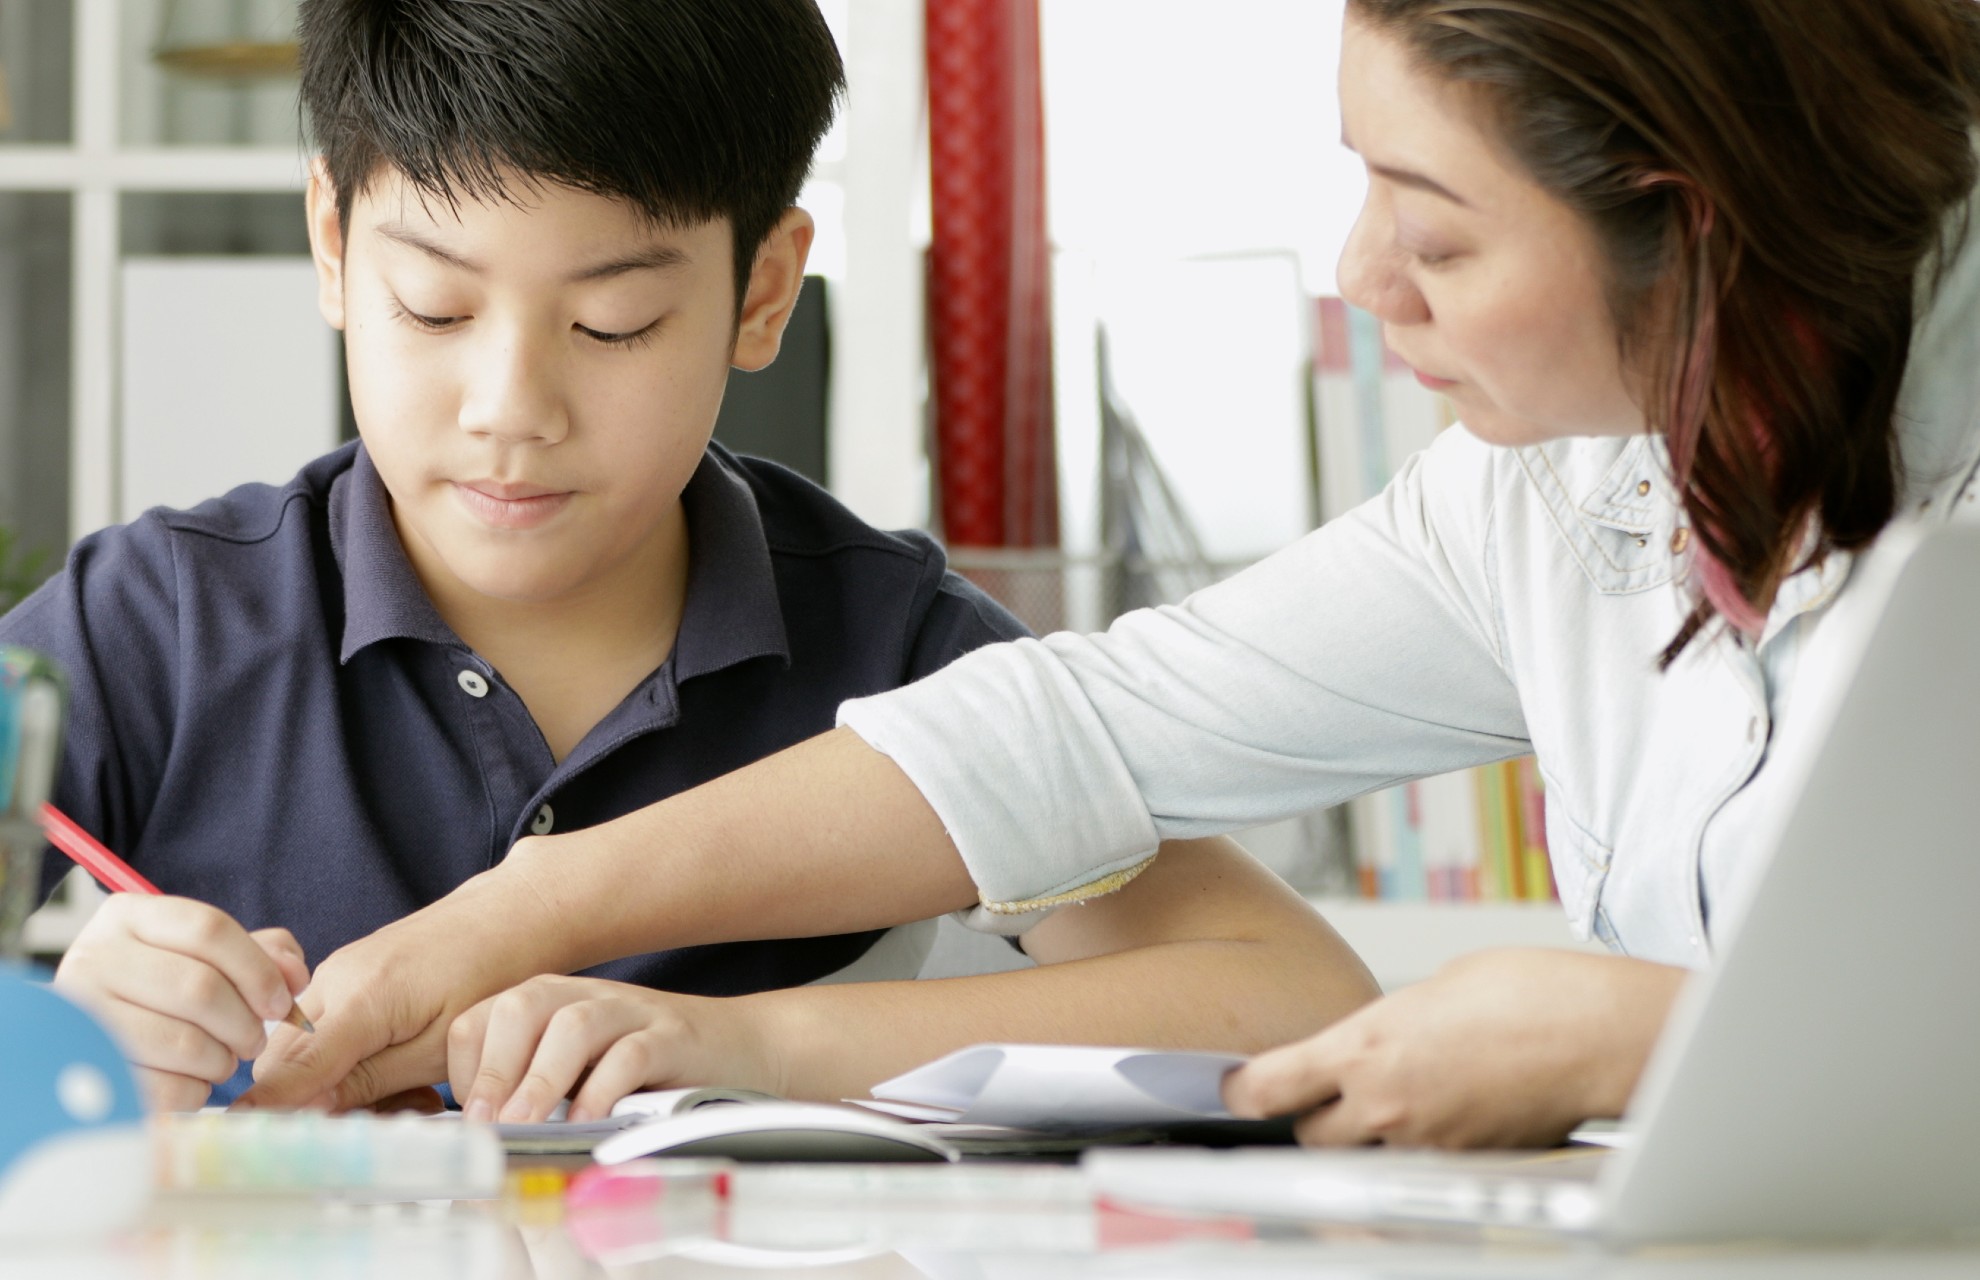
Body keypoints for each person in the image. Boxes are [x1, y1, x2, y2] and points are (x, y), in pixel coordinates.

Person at [246, 0, 1980, 1141]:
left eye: (1437, 227)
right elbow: (1084, 734)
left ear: (1693, 225)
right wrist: (504, 924)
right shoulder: (1541, 493)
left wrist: (1644, 1042)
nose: (1364, 274)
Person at [1, 0, 1378, 1114]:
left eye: (610, 327)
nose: (509, 408)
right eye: (431, 306)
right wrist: (64, 1039)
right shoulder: (157, 623)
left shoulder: (891, 648)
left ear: (762, 290)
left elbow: (1293, 998)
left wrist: (753, 1044)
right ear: (331, 240)